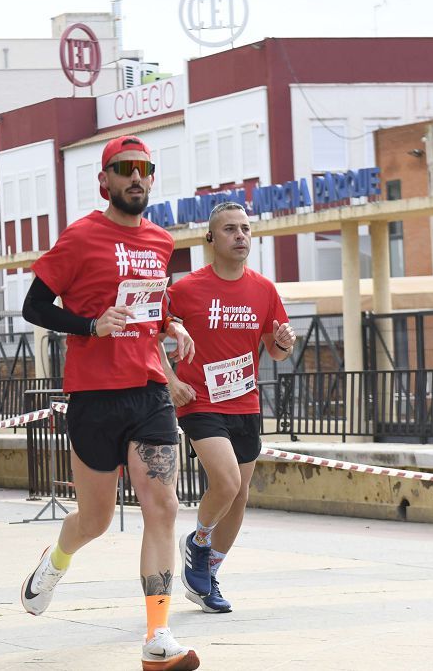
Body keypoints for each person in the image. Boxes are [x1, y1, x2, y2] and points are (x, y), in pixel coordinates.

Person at [19, 135, 200, 671]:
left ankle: (157, 635)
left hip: (148, 393)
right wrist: (89, 326)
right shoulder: (79, 238)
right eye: (124, 169)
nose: (136, 177)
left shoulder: (161, 241)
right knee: (95, 520)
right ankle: (55, 562)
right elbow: (34, 306)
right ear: (105, 181)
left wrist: (173, 324)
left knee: (162, 507)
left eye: (144, 168)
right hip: (93, 396)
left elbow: (151, 299)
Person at [162, 202, 295, 614]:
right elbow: (147, 333)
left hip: (245, 400)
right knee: (227, 482)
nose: (240, 236)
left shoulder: (264, 289)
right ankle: (198, 543)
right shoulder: (185, 289)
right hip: (200, 400)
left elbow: (276, 351)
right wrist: (171, 381)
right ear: (211, 239)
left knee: (239, 497)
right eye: (230, 230)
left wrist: (285, 341)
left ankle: (208, 576)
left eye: (246, 229)